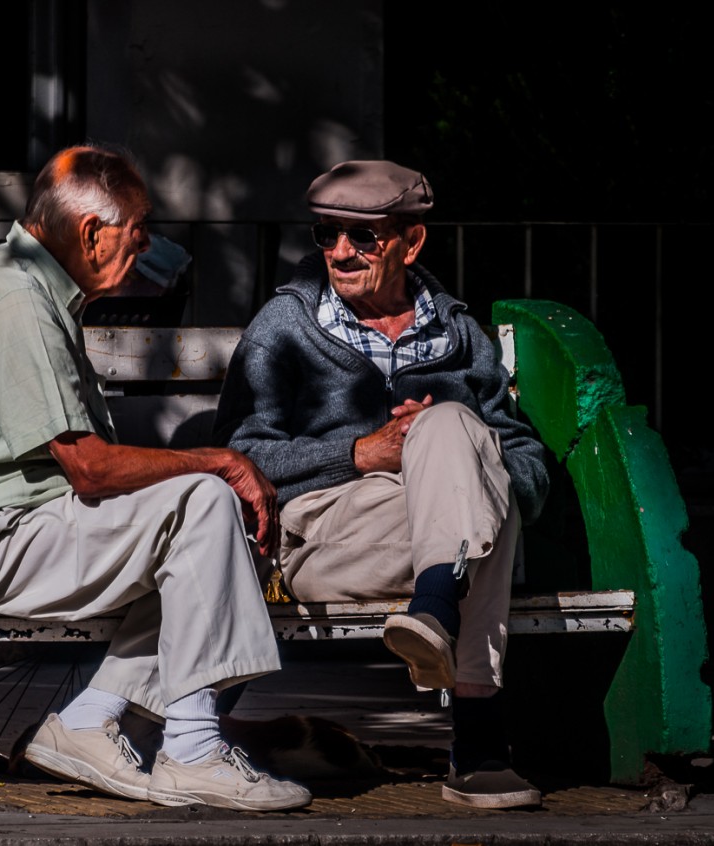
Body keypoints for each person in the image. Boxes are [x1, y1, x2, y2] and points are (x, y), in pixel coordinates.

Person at [0, 144, 310, 812]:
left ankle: (90, 720)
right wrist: (219, 460)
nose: (144, 250)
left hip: (13, 527)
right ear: (90, 233)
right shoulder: (14, 299)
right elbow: (87, 469)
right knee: (204, 500)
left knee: (209, 534)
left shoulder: (31, 287)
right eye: (137, 234)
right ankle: (194, 751)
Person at [214, 160, 550, 810]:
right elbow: (240, 455)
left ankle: (434, 606)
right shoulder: (284, 328)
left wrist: (451, 456)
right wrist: (363, 452)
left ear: (410, 242)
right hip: (327, 537)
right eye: (326, 234)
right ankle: (478, 742)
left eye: (361, 237)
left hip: (443, 533)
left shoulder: (456, 334)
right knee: (470, 476)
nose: (340, 252)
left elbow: (526, 459)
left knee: (452, 428)